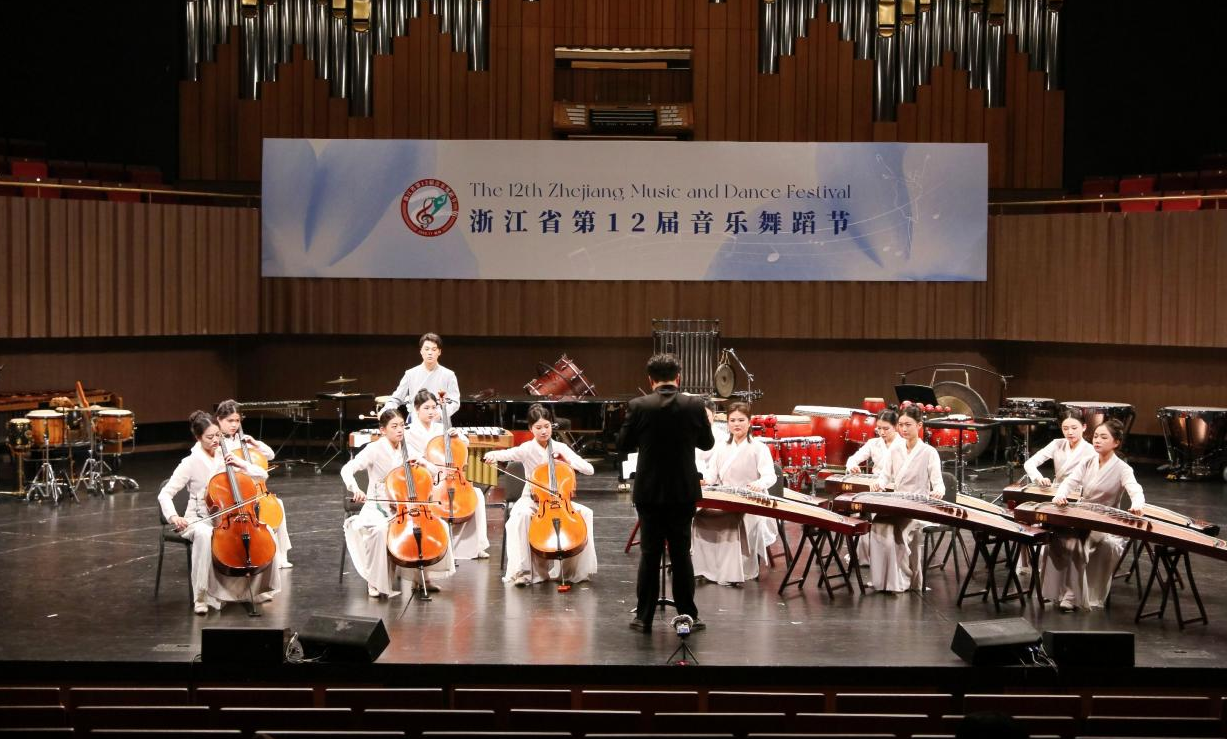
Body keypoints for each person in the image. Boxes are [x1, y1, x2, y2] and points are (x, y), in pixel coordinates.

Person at [616, 353, 715, 633]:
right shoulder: (694, 405)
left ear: (651, 380)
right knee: (681, 554)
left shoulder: (639, 406)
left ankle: (643, 617)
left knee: (650, 554)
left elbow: (622, 444)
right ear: (678, 377)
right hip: (683, 491)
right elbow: (707, 444)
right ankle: (688, 615)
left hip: (649, 492)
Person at [158, 411, 280, 615]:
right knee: (205, 535)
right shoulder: (190, 462)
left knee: (267, 530)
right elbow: (165, 494)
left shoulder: (227, 455)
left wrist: (241, 464)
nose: (216, 440)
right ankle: (201, 597)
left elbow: (262, 475)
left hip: (226, 517)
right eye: (210, 437)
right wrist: (173, 517)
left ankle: (260, 589)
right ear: (198, 437)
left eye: (218, 435)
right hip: (199, 519)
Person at [341, 409, 455, 597]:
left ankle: (422, 579)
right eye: (394, 426)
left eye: (402, 425)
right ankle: (374, 582)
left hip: (404, 508)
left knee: (437, 525)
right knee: (380, 531)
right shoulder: (374, 449)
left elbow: (436, 473)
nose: (400, 430)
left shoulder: (407, 448)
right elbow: (347, 469)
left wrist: (424, 464)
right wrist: (355, 488)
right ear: (383, 430)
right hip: (378, 507)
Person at [483, 403, 597, 587]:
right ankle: (525, 572)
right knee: (521, 516)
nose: (544, 431)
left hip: (559, 500)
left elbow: (589, 470)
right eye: (538, 427)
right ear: (531, 429)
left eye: (547, 426)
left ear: (552, 425)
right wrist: (492, 455)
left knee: (586, 513)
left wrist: (567, 461)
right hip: (532, 498)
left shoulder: (560, 447)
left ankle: (570, 571)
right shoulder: (527, 448)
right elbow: (506, 454)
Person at [1044, 418, 1144, 611]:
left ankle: (1072, 595)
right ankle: (1059, 590)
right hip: (1082, 513)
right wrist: (1061, 495)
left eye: (1104, 437)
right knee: (1057, 537)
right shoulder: (1088, 461)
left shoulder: (1123, 469)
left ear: (1116, 442)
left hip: (1104, 520)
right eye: (1096, 436)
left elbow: (1135, 489)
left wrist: (1137, 505)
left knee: (1080, 542)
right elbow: (1070, 482)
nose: (1097, 440)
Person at [694, 402, 777, 586]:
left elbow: (770, 476)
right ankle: (707, 569)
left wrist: (758, 484)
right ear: (727, 423)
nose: (736, 424)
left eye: (741, 420)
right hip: (727, 498)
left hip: (750, 500)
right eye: (732, 420)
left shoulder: (759, 448)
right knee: (700, 517)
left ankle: (733, 572)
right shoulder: (720, 447)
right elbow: (712, 476)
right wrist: (704, 481)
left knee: (732, 520)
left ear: (749, 422)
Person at [867, 405, 944, 593]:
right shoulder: (895, 449)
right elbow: (885, 475)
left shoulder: (929, 452)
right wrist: (878, 484)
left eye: (908, 425)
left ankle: (903, 580)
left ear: (919, 425)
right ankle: (883, 580)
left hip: (919, 506)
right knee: (878, 525)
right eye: (900, 425)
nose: (903, 429)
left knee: (898, 530)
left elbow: (939, 483)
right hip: (898, 502)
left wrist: (938, 492)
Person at [405, 389, 490, 560]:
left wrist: (458, 436)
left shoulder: (441, 428)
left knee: (477, 496)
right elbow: (413, 458)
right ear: (417, 409)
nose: (431, 411)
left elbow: (464, 443)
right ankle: (439, 545)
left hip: (447, 476)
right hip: (425, 477)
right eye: (426, 408)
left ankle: (476, 546)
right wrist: (431, 466)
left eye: (434, 407)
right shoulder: (408, 432)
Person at [215, 399, 292, 569]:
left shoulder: (242, 440)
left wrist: (256, 444)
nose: (234, 425)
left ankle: (281, 553)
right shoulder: (217, 444)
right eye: (230, 421)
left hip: (255, 489)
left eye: (237, 420)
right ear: (219, 420)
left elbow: (270, 455)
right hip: (235, 492)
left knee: (278, 504)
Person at [381, 333, 460, 425]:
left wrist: (440, 413)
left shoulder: (449, 375)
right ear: (421, 351)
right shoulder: (410, 374)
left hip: (440, 423)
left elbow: (455, 402)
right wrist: (385, 410)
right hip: (416, 424)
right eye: (426, 349)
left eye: (434, 349)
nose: (430, 352)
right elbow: (396, 398)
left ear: (439, 352)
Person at [1023, 408, 1096, 488]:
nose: (1070, 432)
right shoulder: (1057, 444)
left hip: (1078, 492)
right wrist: (1039, 478)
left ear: (1084, 427)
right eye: (1065, 428)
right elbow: (1029, 463)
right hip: (1057, 490)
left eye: (1074, 428)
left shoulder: (1091, 450)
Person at [846, 408, 904, 476]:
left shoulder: (905, 444)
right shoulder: (873, 443)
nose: (882, 432)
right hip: (876, 480)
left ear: (896, 426)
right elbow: (853, 459)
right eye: (879, 428)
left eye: (886, 429)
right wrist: (853, 466)